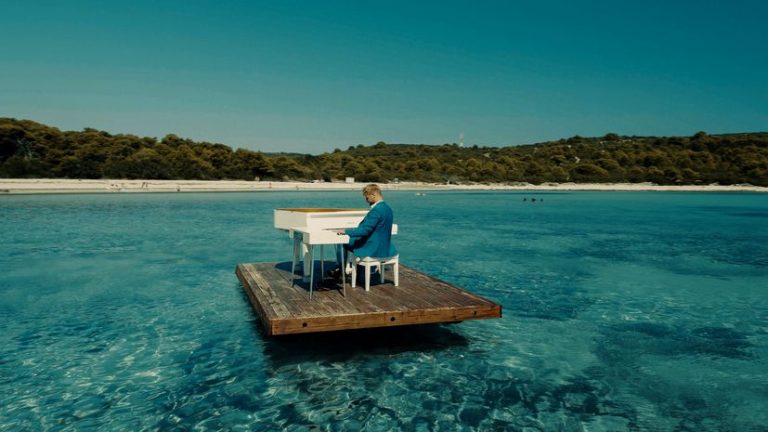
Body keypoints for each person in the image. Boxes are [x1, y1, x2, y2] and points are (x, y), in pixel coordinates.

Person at [329, 184, 397, 278]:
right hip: (385, 246)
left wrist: (345, 231)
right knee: (357, 241)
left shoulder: (376, 210)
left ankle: (340, 270)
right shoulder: (388, 208)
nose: (366, 200)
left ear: (373, 195)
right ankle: (359, 273)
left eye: (367, 197)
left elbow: (365, 231)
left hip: (373, 247)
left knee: (341, 242)